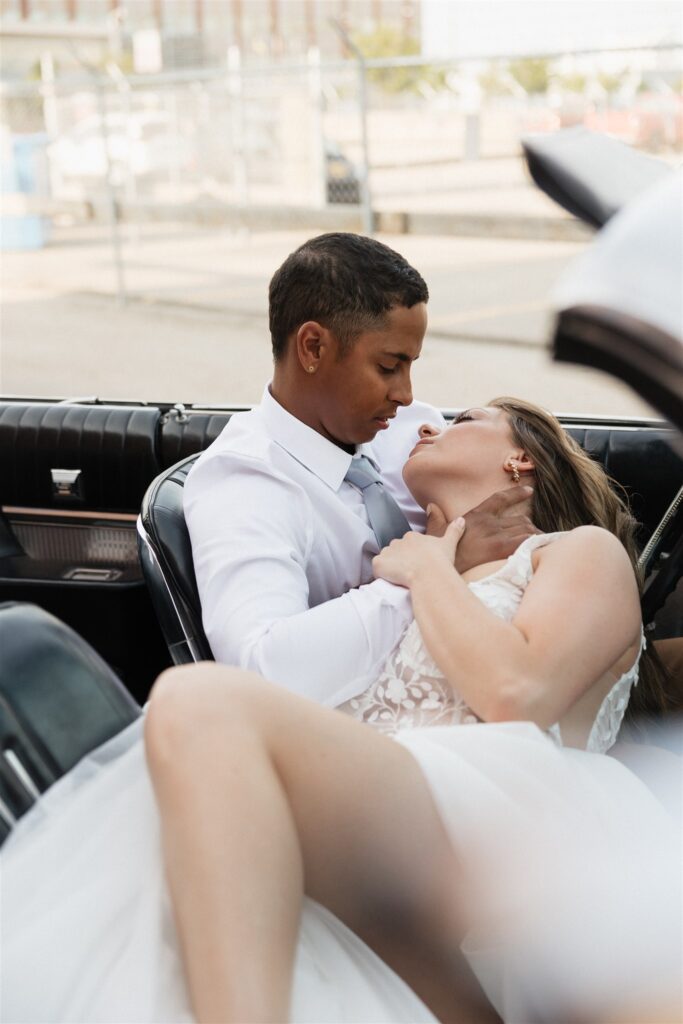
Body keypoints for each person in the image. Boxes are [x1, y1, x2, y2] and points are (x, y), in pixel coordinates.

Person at [3, 397, 679, 1024]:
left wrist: (428, 571)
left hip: (517, 814)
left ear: (519, 459)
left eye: (459, 419)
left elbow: (517, 697)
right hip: (382, 822)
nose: (423, 424)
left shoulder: (576, 553)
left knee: (192, 700)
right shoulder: (374, 595)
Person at [184, 233, 536, 705]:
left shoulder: (410, 431)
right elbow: (260, 669)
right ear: (312, 348)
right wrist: (435, 569)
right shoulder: (245, 482)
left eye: (410, 365)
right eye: (389, 366)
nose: (406, 394)